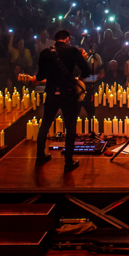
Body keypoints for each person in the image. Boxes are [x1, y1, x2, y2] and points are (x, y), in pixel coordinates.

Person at [34, 30, 91, 173]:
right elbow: (86, 70)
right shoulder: (73, 51)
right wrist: (79, 79)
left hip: (52, 92)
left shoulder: (44, 53)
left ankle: (40, 157)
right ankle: (68, 162)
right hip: (68, 93)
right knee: (70, 127)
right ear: (67, 39)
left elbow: (40, 76)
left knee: (45, 124)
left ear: (55, 40)